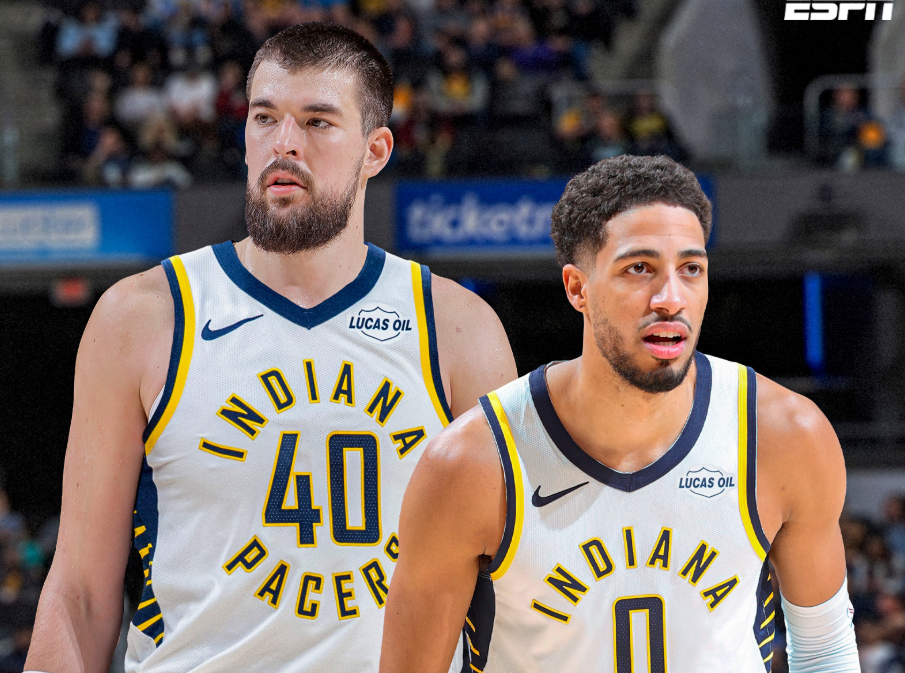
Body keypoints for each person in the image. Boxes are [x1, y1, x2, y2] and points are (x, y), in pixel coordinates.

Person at [25, 22, 515, 673]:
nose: (284, 143)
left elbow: (507, 589)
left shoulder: (457, 327)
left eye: (317, 122)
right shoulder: (140, 317)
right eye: (264, 118)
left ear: (375, 150)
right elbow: (80, 592)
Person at [380, 155, 860, 673]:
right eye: (639, 269)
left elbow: (825, 651)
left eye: (691, 269)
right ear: (577, 288)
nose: (670, 298)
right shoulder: (470, 463)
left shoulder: (785, 435)